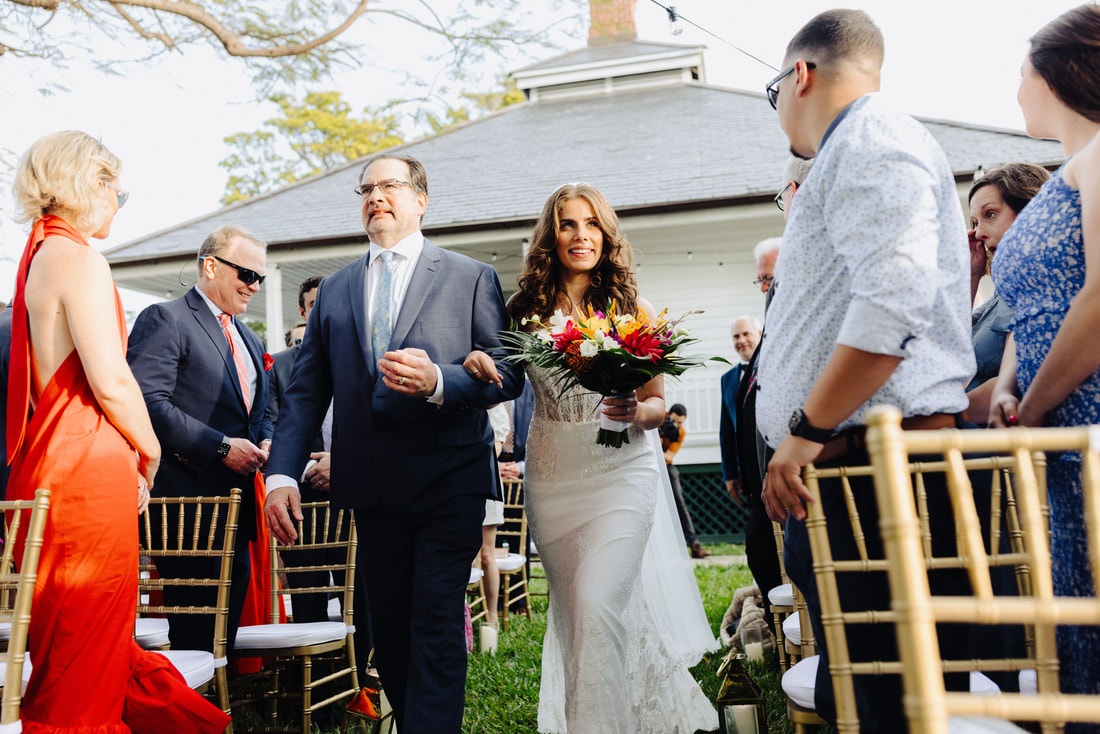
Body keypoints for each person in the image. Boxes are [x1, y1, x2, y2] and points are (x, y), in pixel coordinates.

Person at [758, 10, 977, 730]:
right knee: (857, 693)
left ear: (802, 74)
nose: (779, 111)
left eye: (773, 92)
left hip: (871, 475)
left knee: (886, 705)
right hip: (849, 471)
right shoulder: (852, 148)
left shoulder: (871, 140)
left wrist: (804, 431)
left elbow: (892, 301)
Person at [263, 154, 523, 734]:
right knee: (394, 630)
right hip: (371, 490)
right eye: (366, 189)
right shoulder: (334, 290)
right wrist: (280, 476)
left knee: (434, 619)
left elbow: (507, 374)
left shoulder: (469, 276)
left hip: (448, 481)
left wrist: (440, 381)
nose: (375, 196)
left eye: (389, 186)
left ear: (421, 200)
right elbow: (306, 394)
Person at [466, 182, 716, 734]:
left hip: (623, 470)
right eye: (567, 225)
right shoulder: (523, 309)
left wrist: (634, 408)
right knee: (580, 613)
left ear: (607, 233)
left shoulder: (632, 307)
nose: (581, 236)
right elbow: (505, 382)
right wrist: (480, 366)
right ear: (550, 236)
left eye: (591, 224)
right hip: (554, 473)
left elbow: (656, 405)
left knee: (598, 600)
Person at [8, 130, 229, 732]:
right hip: (86, 467)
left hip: (51, 462)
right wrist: (151, 449)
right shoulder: (78, 257)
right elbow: (111, 379)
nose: (117, 201)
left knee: (73, 644)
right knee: (88, 640)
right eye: (116, 189)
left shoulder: (39, 255)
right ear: (90, 184)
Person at [990, 4, 1100, 717]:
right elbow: (1035, 308)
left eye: (1021, 73)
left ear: (1057, 72)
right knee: (1076, 622)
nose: (1016, 91)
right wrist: (1007, 384)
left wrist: (1031, 409)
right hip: (1058, 438)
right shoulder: (1073, 166)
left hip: (1087, 429)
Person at [128, 224, 275, 654]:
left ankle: (217, 711)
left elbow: (263, 411)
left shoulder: (251, 338)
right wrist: (221, 447)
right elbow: (146, 402)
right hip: (188, 510)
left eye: (260, 278)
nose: (254, 286)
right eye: (247, 274)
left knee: (223, 634)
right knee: (195, 637)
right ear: (210, 266)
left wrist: (265, 441)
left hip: (239, 505)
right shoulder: (166, 318)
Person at [269, 274, 372, 682]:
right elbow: (275, 424)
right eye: (315, 305)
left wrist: (344, 463)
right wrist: (314, 467)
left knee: (361, 595)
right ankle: (308, 689)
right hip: (304, 500)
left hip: (359, 494)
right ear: (304, 311)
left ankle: (359, 682)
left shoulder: (365, 353)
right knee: (307, 594)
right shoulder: (279, 366)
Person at [965, 163, 1050, 425]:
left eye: (990, 214)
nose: (978, 232)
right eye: (976, 222)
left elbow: (1024, 379)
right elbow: (947, 344)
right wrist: (971, 275)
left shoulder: (1046, 286)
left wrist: (939, 413)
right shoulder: (1000, 295)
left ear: (1029, 212)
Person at [720, 315, 762, 505]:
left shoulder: (773, 368)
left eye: (746, 334)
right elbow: (726, 430)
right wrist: (729, 474)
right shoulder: (727, 379)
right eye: (736, 336)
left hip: (773, 460)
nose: (741, 340)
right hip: (747, 469)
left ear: (759, 334)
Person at [661, 403, 710, 558]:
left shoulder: (681, 432)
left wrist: (659, 443)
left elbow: (668, 456)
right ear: (668, 414)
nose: (676, 425)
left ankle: (694, 545)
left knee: (679, 502)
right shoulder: (657, 420)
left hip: (666, 466)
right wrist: (658, 434)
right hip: (647, 464)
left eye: (680, 422)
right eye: (674, 421)